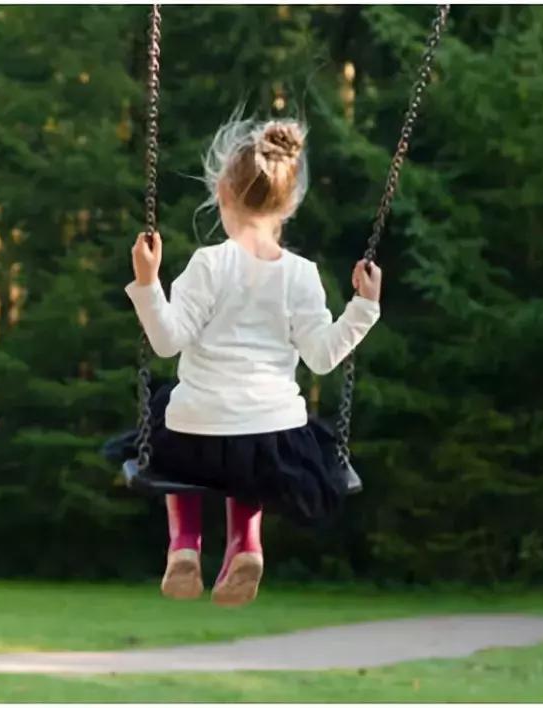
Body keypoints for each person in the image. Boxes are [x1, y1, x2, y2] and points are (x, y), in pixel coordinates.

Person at [124, 117, 382, 607]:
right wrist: (363, 308)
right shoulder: (302, 275)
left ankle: (183, 546)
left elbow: (166, 341)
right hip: (273, 441)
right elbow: (324, 357)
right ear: (289, 204)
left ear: (222, 191)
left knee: (169, 419)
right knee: (251, 449)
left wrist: (147, 282)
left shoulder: (208, 263)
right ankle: (247, 544)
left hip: (195, 434)